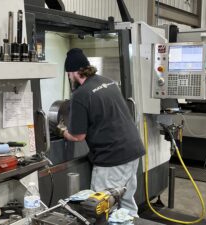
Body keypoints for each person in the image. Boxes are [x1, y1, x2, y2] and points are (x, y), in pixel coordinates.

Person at [59, 48, 145, 217]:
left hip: (112, 158)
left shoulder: (80, 94)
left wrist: (62, 131)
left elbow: (78, 136)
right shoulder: (108, 81)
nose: (69, 78)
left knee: (100, 207)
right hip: (133, 150)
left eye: (69, 74)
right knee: (125, 201)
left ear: (73, 72)